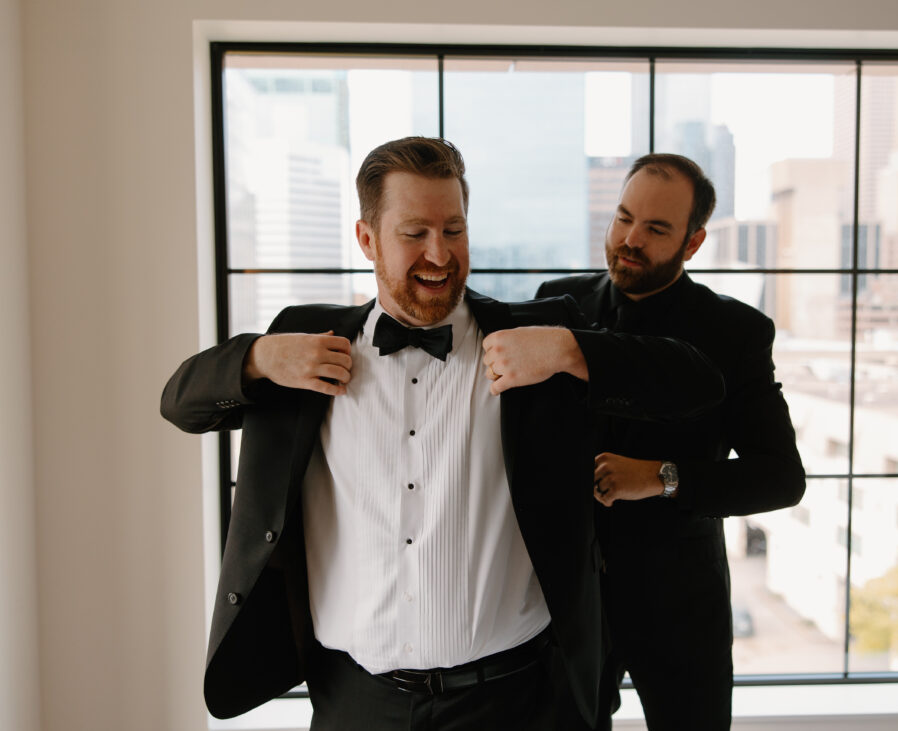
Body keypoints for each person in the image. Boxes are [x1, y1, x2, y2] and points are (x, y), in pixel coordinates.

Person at [161, 138, 725, 730]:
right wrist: (256, 361)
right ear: (367, 240)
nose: (440, 254)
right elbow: (181, 404)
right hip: (354, 704)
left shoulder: (535, 343)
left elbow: (698, 385)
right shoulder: (305, 347)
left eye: (454, 230)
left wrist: (570, 348)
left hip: (516, 704)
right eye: (415, 233)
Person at [537, 153, 806, 730]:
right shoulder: (556, 303)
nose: (629, 240)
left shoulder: (735, 332)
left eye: (656, 229)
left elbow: (781, 476)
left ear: (693, 242)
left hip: (680, 597)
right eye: (623, 217)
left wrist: (663, 477)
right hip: (566, 596)